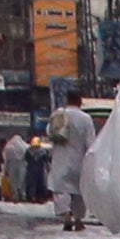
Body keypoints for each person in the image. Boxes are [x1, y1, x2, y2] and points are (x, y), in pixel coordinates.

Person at [49, 94, 97, 230]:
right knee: (79, 190)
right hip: (79, 159)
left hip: (61, 158)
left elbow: (50, 133)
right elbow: (91, 142)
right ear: (80, 102)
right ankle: (78, 219)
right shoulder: (86, 119)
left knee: (61, 189)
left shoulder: (59, 114)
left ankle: (66, 216)